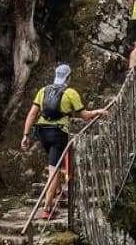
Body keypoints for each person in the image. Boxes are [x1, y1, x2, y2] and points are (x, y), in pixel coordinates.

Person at [19, 63, 107, 220]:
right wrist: (97, 112)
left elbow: (32, 113)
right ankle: (47, 209)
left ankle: (58, 191)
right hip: (58, 134)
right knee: (54, 171)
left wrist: (26, 135)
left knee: (55, 164)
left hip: (42, 133)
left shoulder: (43, 90)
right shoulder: (70, 92)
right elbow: (84, 115)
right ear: (68, 77)